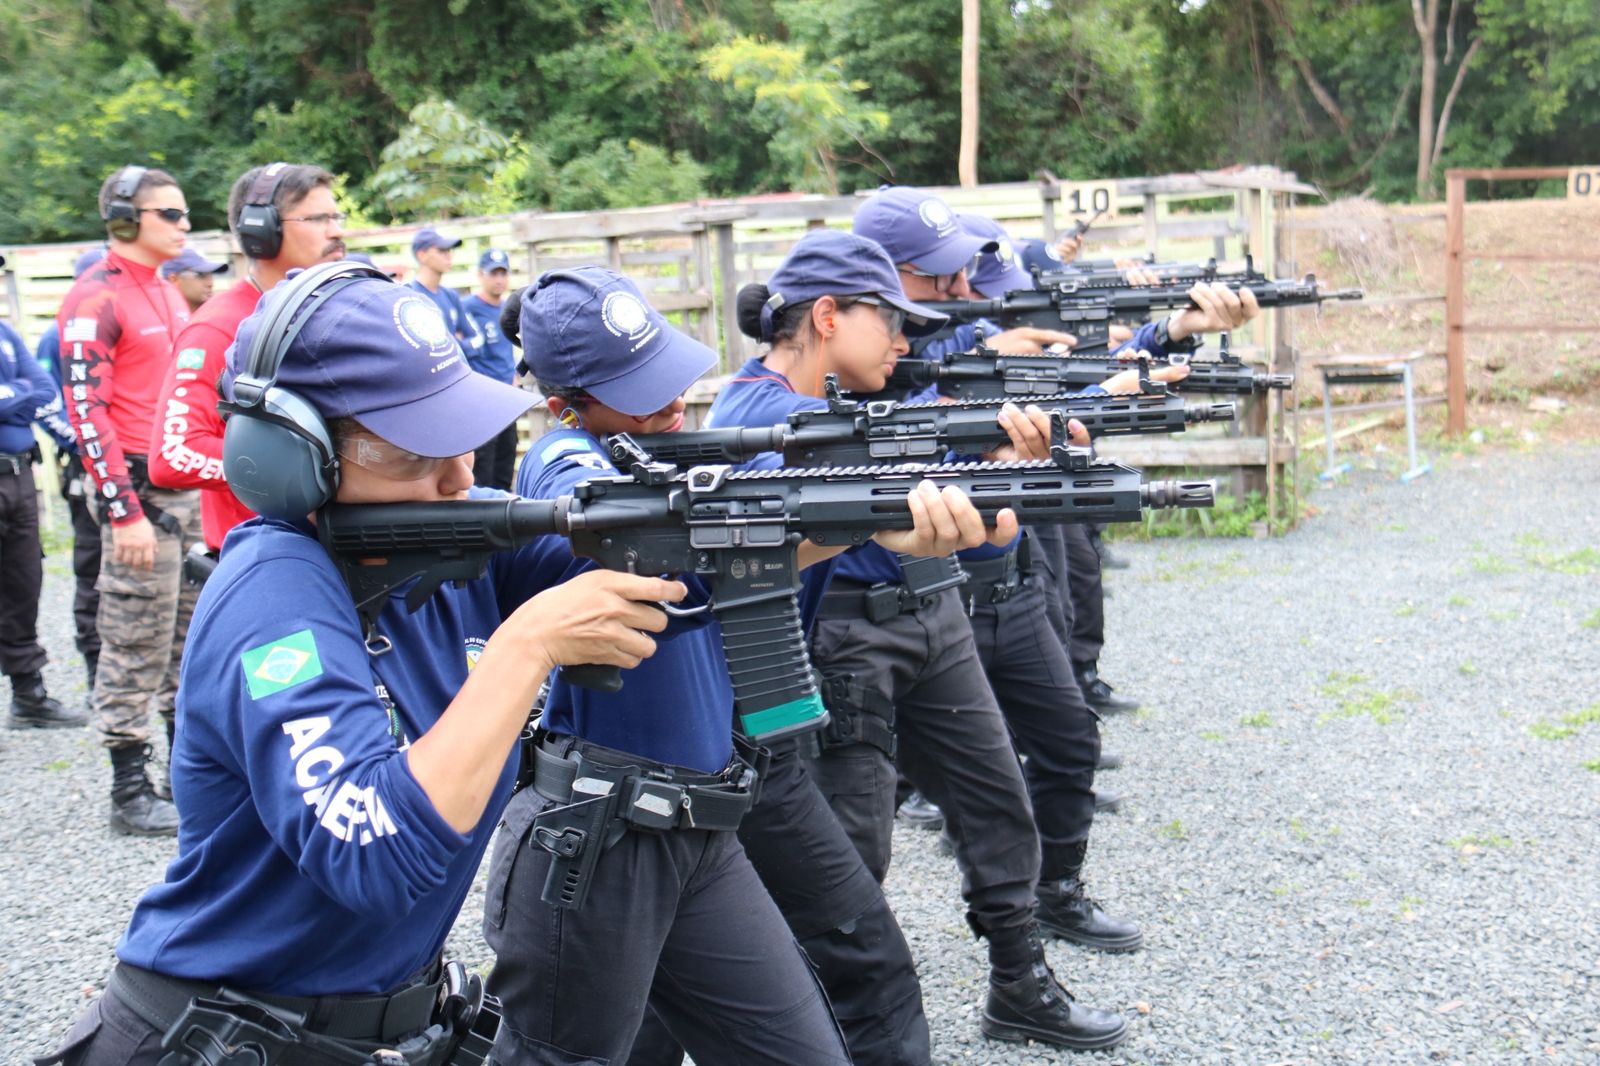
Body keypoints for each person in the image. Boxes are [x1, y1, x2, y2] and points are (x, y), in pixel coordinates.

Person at [36, 260, 682, 1066]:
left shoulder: (442, 533)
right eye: (414, 455)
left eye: (461, 440)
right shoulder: (272, 602)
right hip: (225, 1038)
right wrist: (523, 649)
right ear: (291, 459)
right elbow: (375, 856)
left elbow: (667, 572)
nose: (460, 480)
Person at [486, 265, 1007, 1065]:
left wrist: (892, 508)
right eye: (640, 389)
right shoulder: (562, 468)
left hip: (704, 820)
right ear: (566, 406)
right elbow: (658, 539)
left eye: (667, 377)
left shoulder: (678, 459)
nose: (672, 403)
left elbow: (779, 507)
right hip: (601, 835)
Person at [708, 225, 1129, 1051]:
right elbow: (819, 483)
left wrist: (1001, 471)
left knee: (997, 803)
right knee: (850, 855)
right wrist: (953, 438)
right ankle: (829, 1028)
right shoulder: (751, 412)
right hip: (839, 645)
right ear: (826, 317)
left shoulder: (863, 400)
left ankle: (1019, 980)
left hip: (932, 615)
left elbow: (931, 483)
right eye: (887, 319)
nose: (905, 338)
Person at [57, 165, 197, 836]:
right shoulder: (94, 299)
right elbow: (86, 413)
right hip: (140, 497)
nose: (183, 223)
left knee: (186, 643)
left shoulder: (168, 293)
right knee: (133, 642)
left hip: (184, 493)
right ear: (124, 219)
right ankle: (128, 792)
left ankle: (181, 774)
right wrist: (124, 511)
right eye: (169, 213)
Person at [149, 162, 346, 556]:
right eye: (318, 218)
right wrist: (299, 475)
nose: (337, 230)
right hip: (267, 558)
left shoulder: (334, 312)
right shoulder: (220, 327)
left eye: (337, 216)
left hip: (332, 552)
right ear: (262, 233)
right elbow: (173, 456)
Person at [1, 316, 82, 728]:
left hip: (18, 477)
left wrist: (13, 396)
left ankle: (28, 696)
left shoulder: (5, 331)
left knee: (23, 584)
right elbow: (27, 393)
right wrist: (18, 394)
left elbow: (44, 391)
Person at [33, 247, 109, 691]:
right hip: (86, 469)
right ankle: (96, 666)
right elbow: (46, 401)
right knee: (92, 565)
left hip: (128, 467)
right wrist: (88, 444)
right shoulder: (55, 334)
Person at [460, 248, 518, 490]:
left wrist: (515, 375)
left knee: (507, 460)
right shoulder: (467, 308)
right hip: (482, 398)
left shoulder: (509, 308)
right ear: (481, 275)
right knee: (483, 464)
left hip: (507, 396)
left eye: (503, 273)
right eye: (493, 273)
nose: (499, 279)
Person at [408, 226, 483, 361]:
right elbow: (419, 350)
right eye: (442, 250)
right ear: (421, 255)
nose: (449, 255)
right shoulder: (409, 295)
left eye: (450, 250)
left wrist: (453, 345)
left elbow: (477, 339)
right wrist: (456, 343)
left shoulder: (450, 295)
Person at [158, 247, 229, 314]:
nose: (210, 283)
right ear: (174, 279)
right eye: (201, 275)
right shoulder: (159, 322)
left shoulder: (218, 315)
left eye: (210, 275)